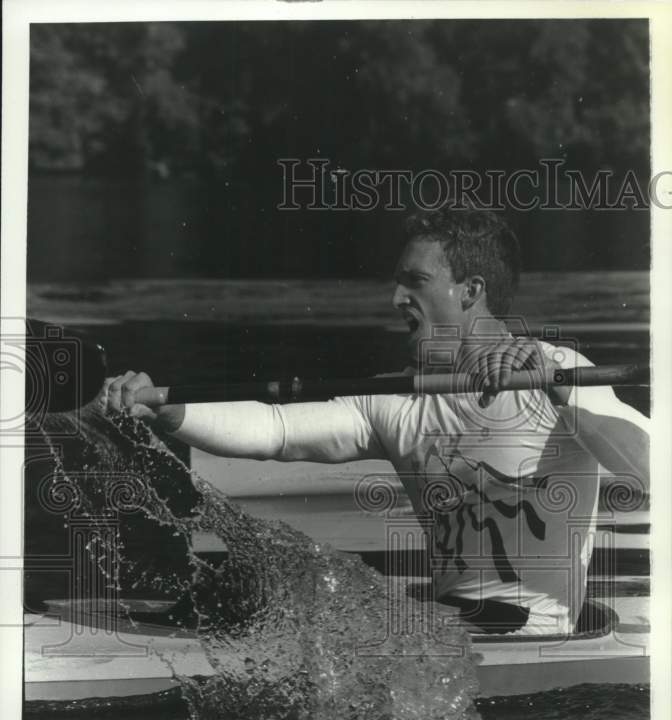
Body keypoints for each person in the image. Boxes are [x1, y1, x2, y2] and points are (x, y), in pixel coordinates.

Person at [104, 209, 649, 636]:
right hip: (449, 629)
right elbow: (275, 431)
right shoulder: (394, 399)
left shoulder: (560, 372)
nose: (395, 299)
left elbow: (652, 473)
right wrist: (167, 409)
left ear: (470, 291)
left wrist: (559, 390)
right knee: (262, 582)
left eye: (415, 281)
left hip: (531, 634)